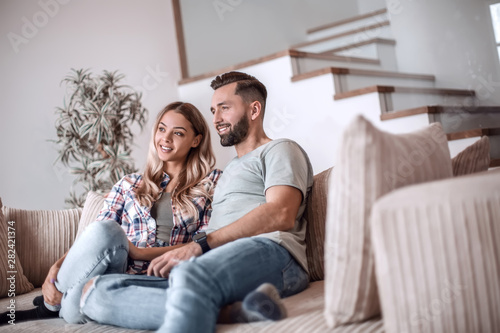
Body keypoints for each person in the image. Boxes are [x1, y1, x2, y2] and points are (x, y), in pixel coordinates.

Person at [77, 71, 314, 332]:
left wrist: (200, 246)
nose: (216, 119)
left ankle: (205, 302)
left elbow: (281, 212)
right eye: (213, 110)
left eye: (224, 108)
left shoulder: (280, 149)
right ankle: (229, 312)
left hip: (271, 252)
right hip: (212, 263)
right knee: (96, 291)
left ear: (254, 110)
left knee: (190, 276)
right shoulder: (227, 173)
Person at [0, 101, 222, 325]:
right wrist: (56, 268)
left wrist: (139, 252)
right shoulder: (130, 184)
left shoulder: (211, 184)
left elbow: (206, 242)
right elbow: (96, 236)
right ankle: (52, 303)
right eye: (162, 129)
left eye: (178, 133)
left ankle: (57, 304)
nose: (165, 138)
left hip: (159, 279)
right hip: (118, 269)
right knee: (106, 229)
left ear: (196, 140)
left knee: (77, 303)